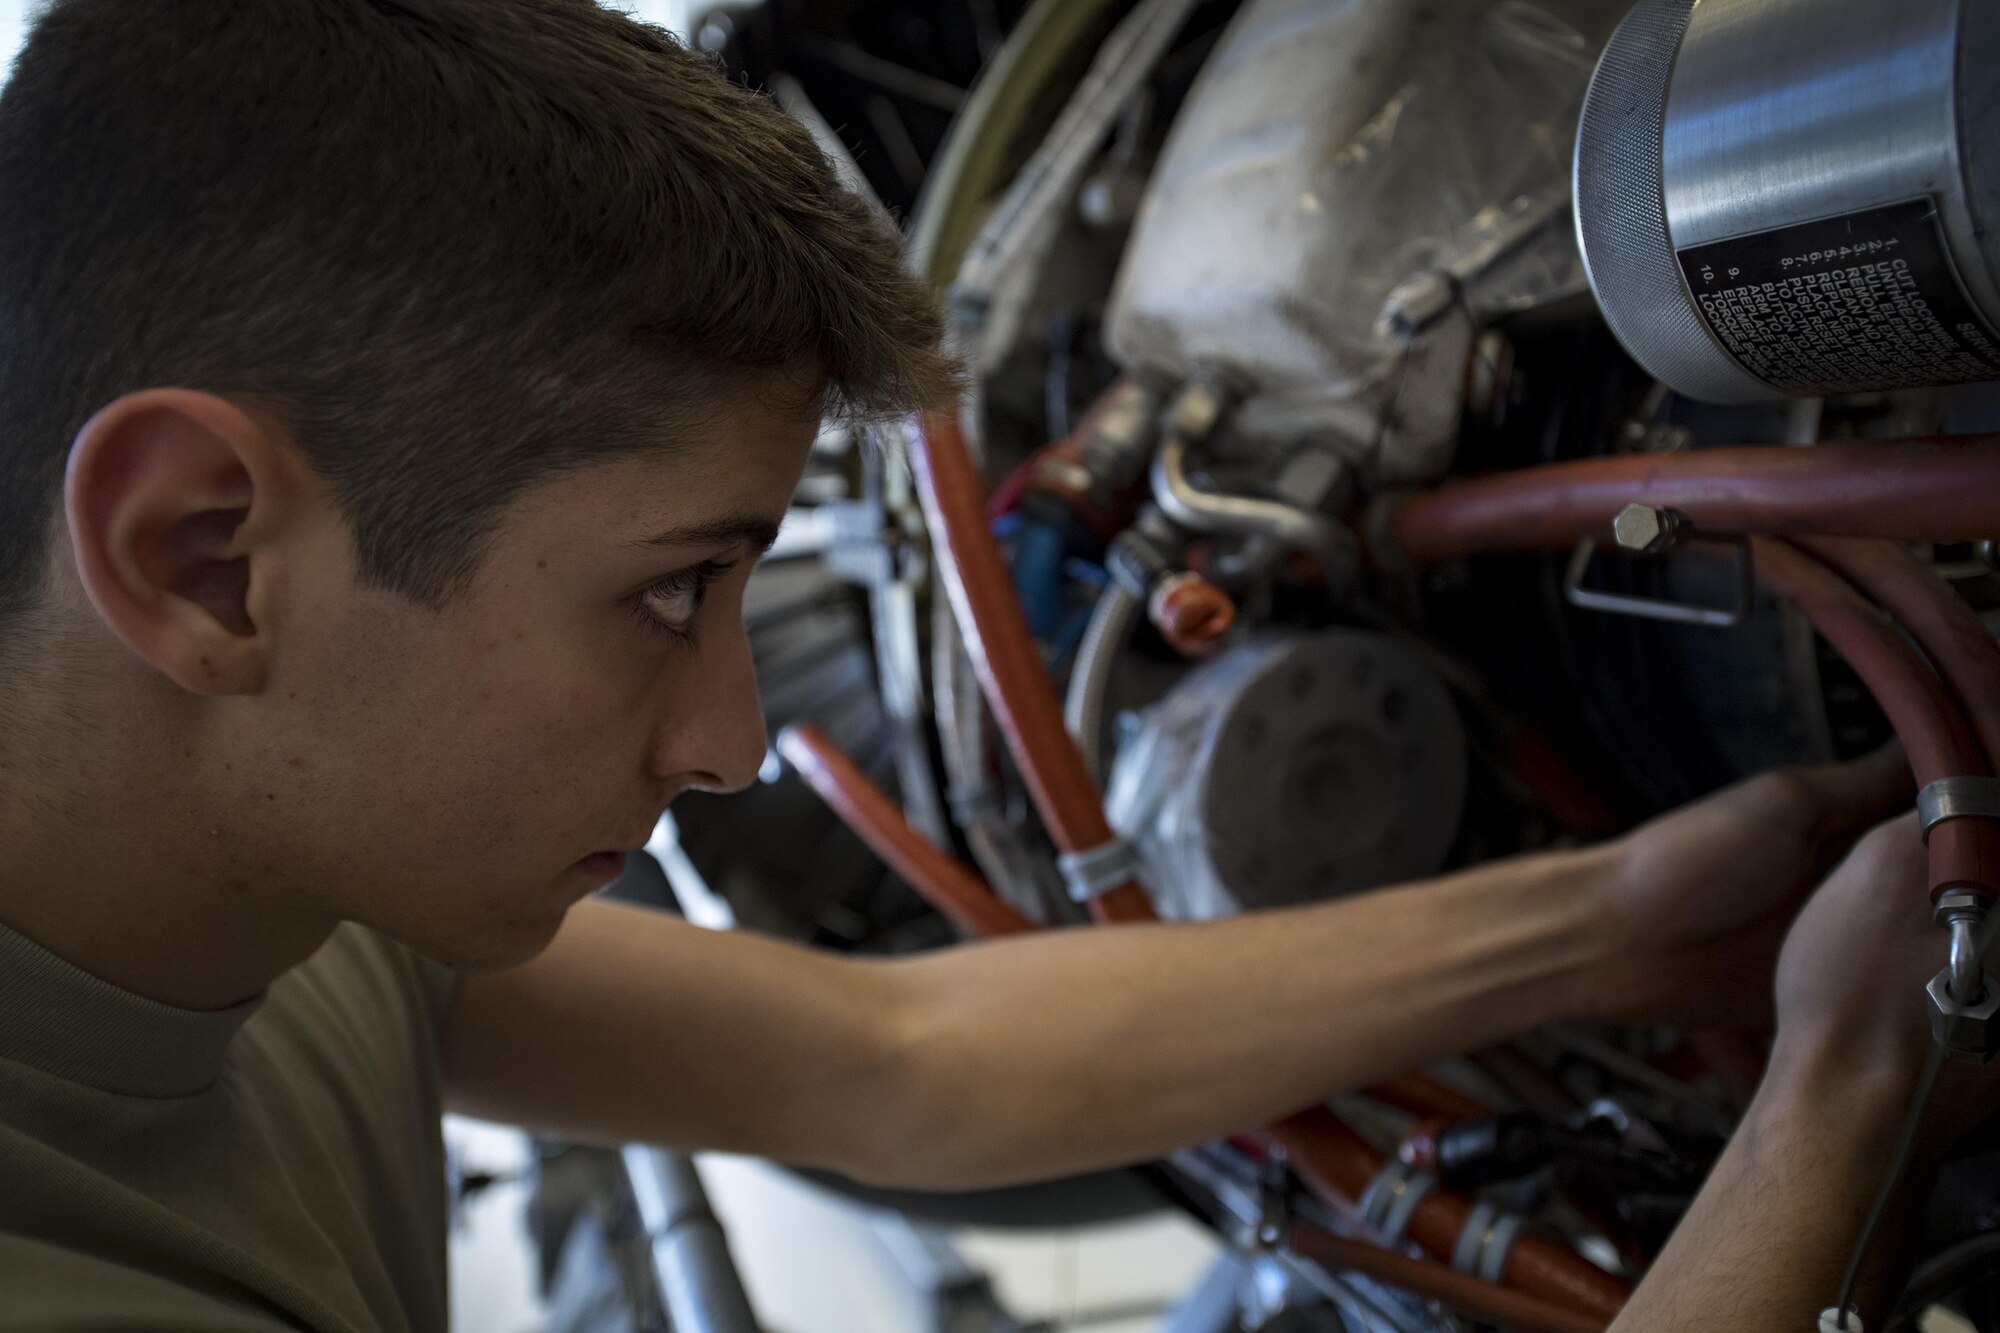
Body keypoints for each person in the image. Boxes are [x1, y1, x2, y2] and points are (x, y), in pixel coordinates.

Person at [0, 3, 1981, 1330]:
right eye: (668, 591)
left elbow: (892, 1065)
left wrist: (1622, 916)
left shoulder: (278, 878)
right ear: (204, 553)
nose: (730, 739)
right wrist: (1842, 1084)